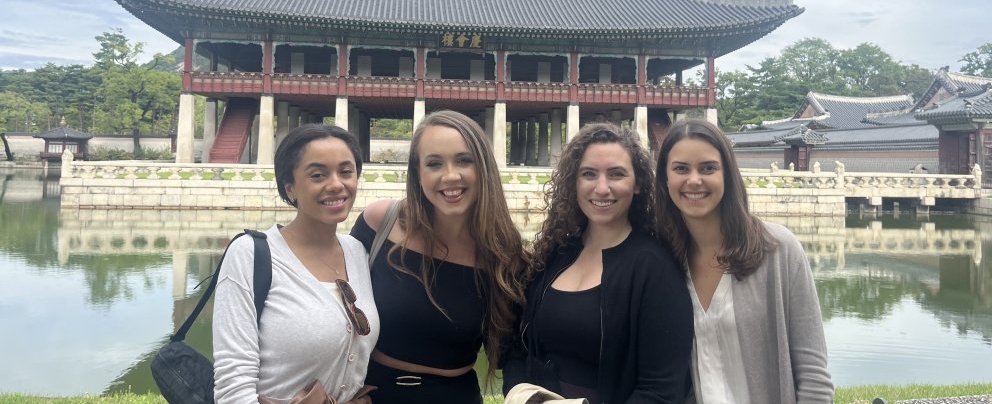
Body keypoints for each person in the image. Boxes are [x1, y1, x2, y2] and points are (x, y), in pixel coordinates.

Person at [503, 123, 693, 404]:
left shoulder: (654, 269)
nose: (601, 188)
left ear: (638, 183)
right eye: (589, 174)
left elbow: (661, 390)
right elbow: (518, 348)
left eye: (616, 174)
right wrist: (522, 395)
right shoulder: (557, 253)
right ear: (574, 182)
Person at [350, 110, 528, 403]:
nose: (450, 175)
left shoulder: (503, 254)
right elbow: (335, 307)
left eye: (464, 160)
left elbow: (513, 353)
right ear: (418, 173)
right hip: (370, 394)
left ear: (483, 167)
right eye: (434, 163)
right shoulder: (380, 222)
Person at [654, 118, 834, 403]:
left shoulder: (779, 251)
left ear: (728, 174)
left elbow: (814, 377)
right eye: (680, 169)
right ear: (665, 178)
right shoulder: (665, 261)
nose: (694, 180)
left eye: (708, 168)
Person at [214, 124, 379, 404]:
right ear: (290, 188)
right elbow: (234, 383)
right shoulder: (251, 254)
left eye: (346, 171)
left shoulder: (357, 251)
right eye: (318, 175)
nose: (337, 184)